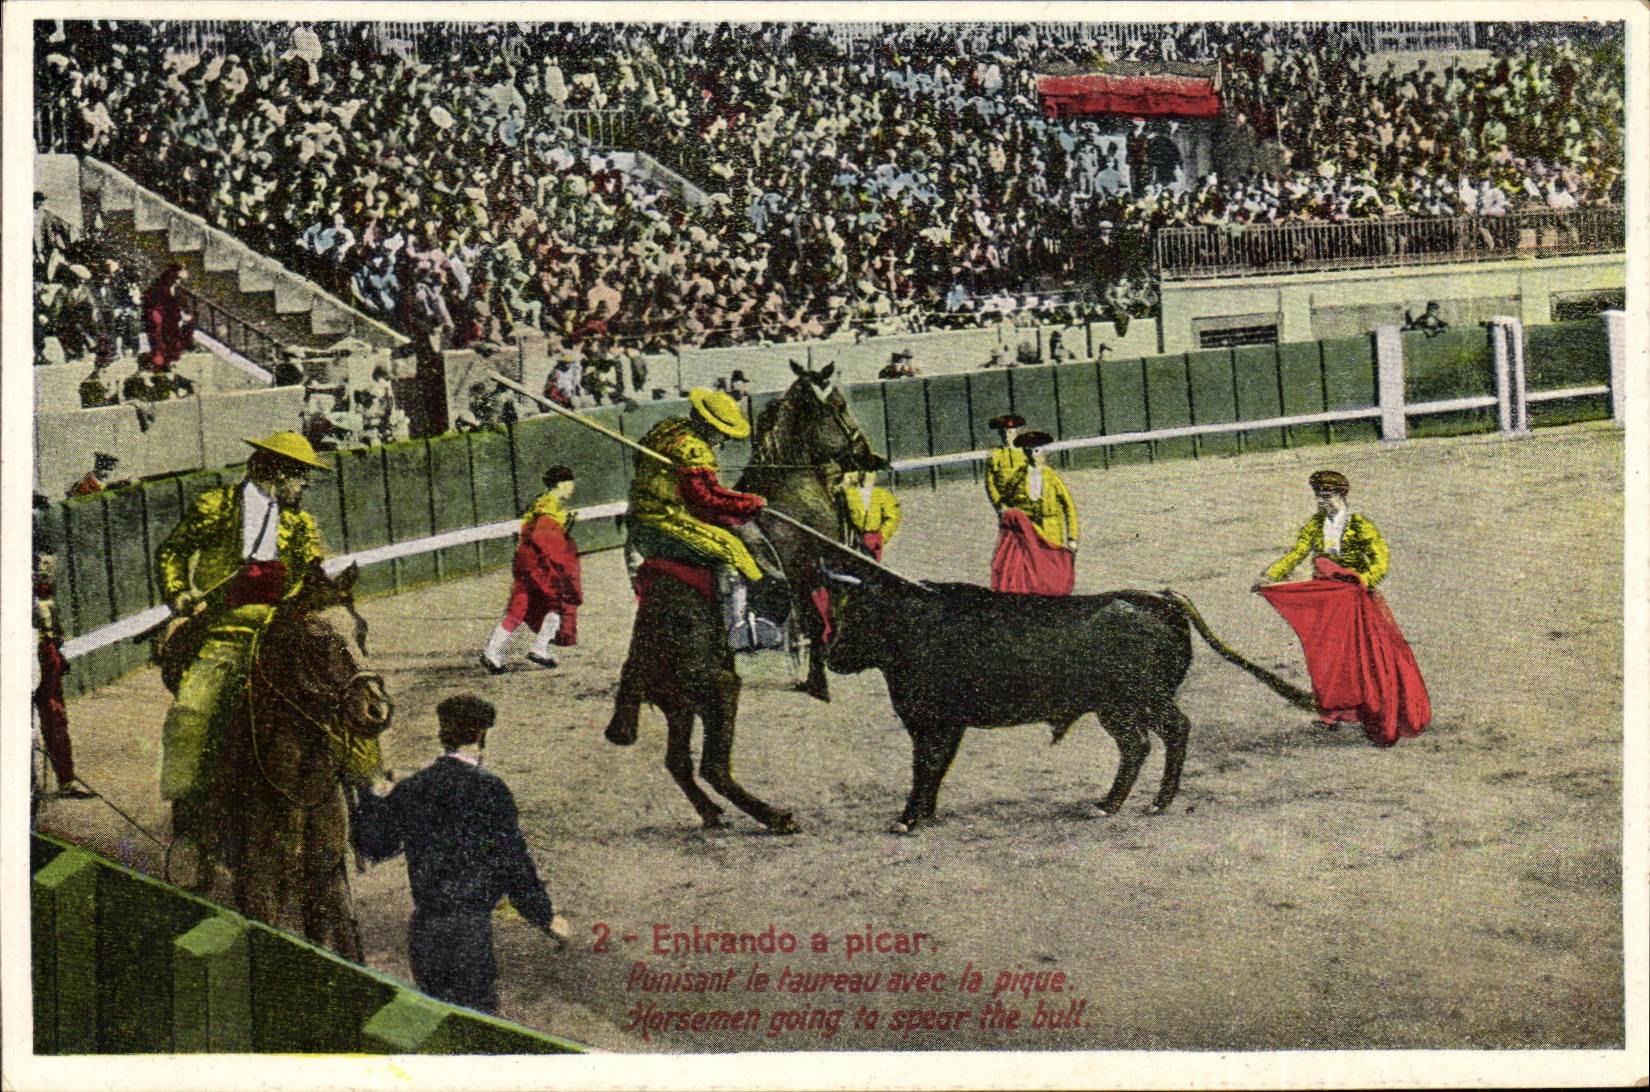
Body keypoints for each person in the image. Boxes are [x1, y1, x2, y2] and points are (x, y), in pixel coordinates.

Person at [350, 695, 567, 1015]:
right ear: (481, 733)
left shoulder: (413, 788)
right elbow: (514, 865)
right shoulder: (490, 789)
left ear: (442, 732)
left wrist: (374, 798)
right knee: (479, 1022)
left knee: (438, 1018)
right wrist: (545, 917)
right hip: (469, 931)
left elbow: (373, 845)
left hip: (425, 928)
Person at [155, 431, 328, 805]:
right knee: (191, 710)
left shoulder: (301, 522)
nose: (306, 485)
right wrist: (179, 592)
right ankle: (187, 804)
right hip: (228, 627)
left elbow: (312, 572)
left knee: (345, 689)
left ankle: (363, 786)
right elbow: (174, 551)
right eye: (301, 476)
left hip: (285, 624)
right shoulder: (217, 505)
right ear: (280, 473)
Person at [1253, 470, 1431, 747]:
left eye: (1327, 497)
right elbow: (1297, 552)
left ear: (1341, 496)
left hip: (1355, 600)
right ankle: (1332, 710)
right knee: (1328, 654)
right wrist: (1271, 577)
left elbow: (1379, 558)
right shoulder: (1315, 524)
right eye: (1318, 497)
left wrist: (1363, 579)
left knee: (1365, 655)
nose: (1322, 503)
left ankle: (1370, 708)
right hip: (1327, 599)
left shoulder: (1360, 525)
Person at [627, 387, 785, 651]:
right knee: (729, 550)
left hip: (648, 507)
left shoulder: (670, 429)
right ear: (707, 425)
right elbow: (706, 499)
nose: (722, 442)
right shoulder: (693, 450)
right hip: (665, 515)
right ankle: (735, 627)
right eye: (721, 433)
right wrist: (750, 503)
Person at [481, 466, 583, 673]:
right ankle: (539, 648)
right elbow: (543, 539)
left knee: (518, 607)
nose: (572, 488)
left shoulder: (541, 501)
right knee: (560, 601)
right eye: (571, 484)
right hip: (540, 565)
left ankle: (492, 652)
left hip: (525, 562)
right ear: (562, 484)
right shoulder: (550, 507)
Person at [33, 551, 94, 799]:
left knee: (55, 714)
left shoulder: (45, 597)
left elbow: (50, 617)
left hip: (44, 651)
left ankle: (66, 779)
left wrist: (56, 648)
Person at [989, 430, 1079, 595]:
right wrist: (1008, 513)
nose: (1033, 455)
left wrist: (1072, 538)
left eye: (1036, 450)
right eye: (1028, 451)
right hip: (1029, 531)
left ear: (1044, 452)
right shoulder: (1018, 477)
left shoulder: (1052, 478)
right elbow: (1005, 499)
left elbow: (1069, 507)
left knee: (1052, 569)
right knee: (1032, 570)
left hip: (1052, 529)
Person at [837, 465, 901, 562]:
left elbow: (893, 517)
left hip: (870, 536)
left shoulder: (881, 495)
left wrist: (880, 537)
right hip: (856, 537)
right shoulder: (849, 493)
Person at [141, 263, 191, 374]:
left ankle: (166, 364)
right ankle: (160, 366)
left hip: (169, 320)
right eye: (177, 279)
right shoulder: (160, 287)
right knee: (160, 343)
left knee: (171, 342)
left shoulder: (174, 289)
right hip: (160, 320)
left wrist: (181, 315)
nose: (178, 282)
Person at [983, 413, 1027, 514]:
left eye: (1010, 432)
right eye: (1003, 433)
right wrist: (998, 504)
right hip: (1005, 506)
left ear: (1016, 432)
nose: (1007, 436)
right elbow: (990, 483)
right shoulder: (995, 455)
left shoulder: (1026, 453)